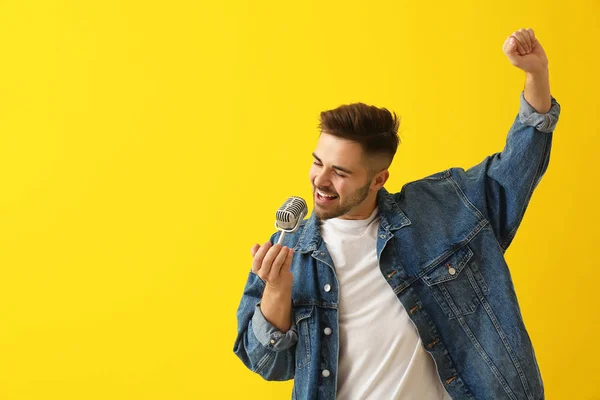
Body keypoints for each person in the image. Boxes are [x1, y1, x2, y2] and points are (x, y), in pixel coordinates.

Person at [233, 28, 560, 400]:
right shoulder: (290, 252)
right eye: (317, 162)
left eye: (340, 172)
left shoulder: (441, 212)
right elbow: (266, 364)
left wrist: (537, 75)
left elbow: (517, 167)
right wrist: (277, 291)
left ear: (378, 179)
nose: (320, 180)